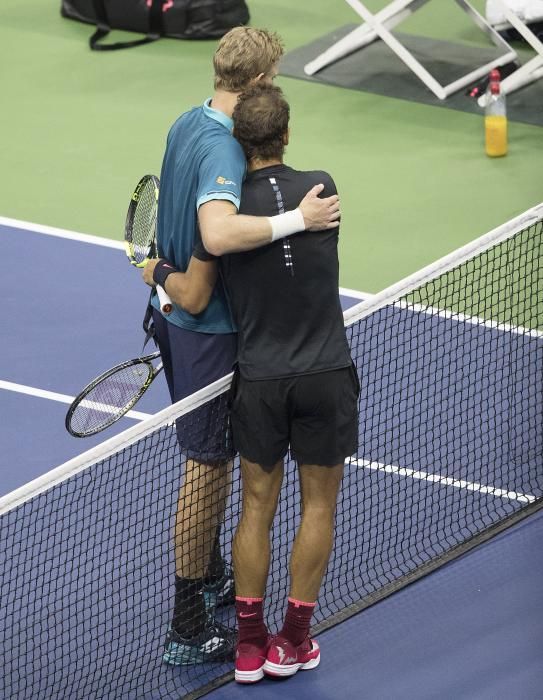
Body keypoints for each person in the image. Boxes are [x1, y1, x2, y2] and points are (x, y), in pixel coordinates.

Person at [146, 83, 359, 683]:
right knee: (319, 504)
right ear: (286, 134)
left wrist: (156, 270)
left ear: (238, 141)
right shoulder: (323, 185)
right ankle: (293, 640)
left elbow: (193, 285)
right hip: (325, 375)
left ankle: (247, 646)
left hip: (260, 381)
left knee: (256, 510)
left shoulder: (226, 212)